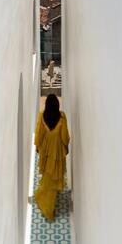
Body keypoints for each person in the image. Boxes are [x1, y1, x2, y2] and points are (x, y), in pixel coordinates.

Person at [34, 92, 70, 221]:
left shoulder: (42, 116)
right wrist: (66, 147)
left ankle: (45, 201)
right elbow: (65, 136)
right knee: (54, 177)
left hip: (47, 151)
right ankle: (47, 205)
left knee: (47, 176)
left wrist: (38, 147)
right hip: (57, 152)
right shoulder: (62, 117)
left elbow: (39, 135)